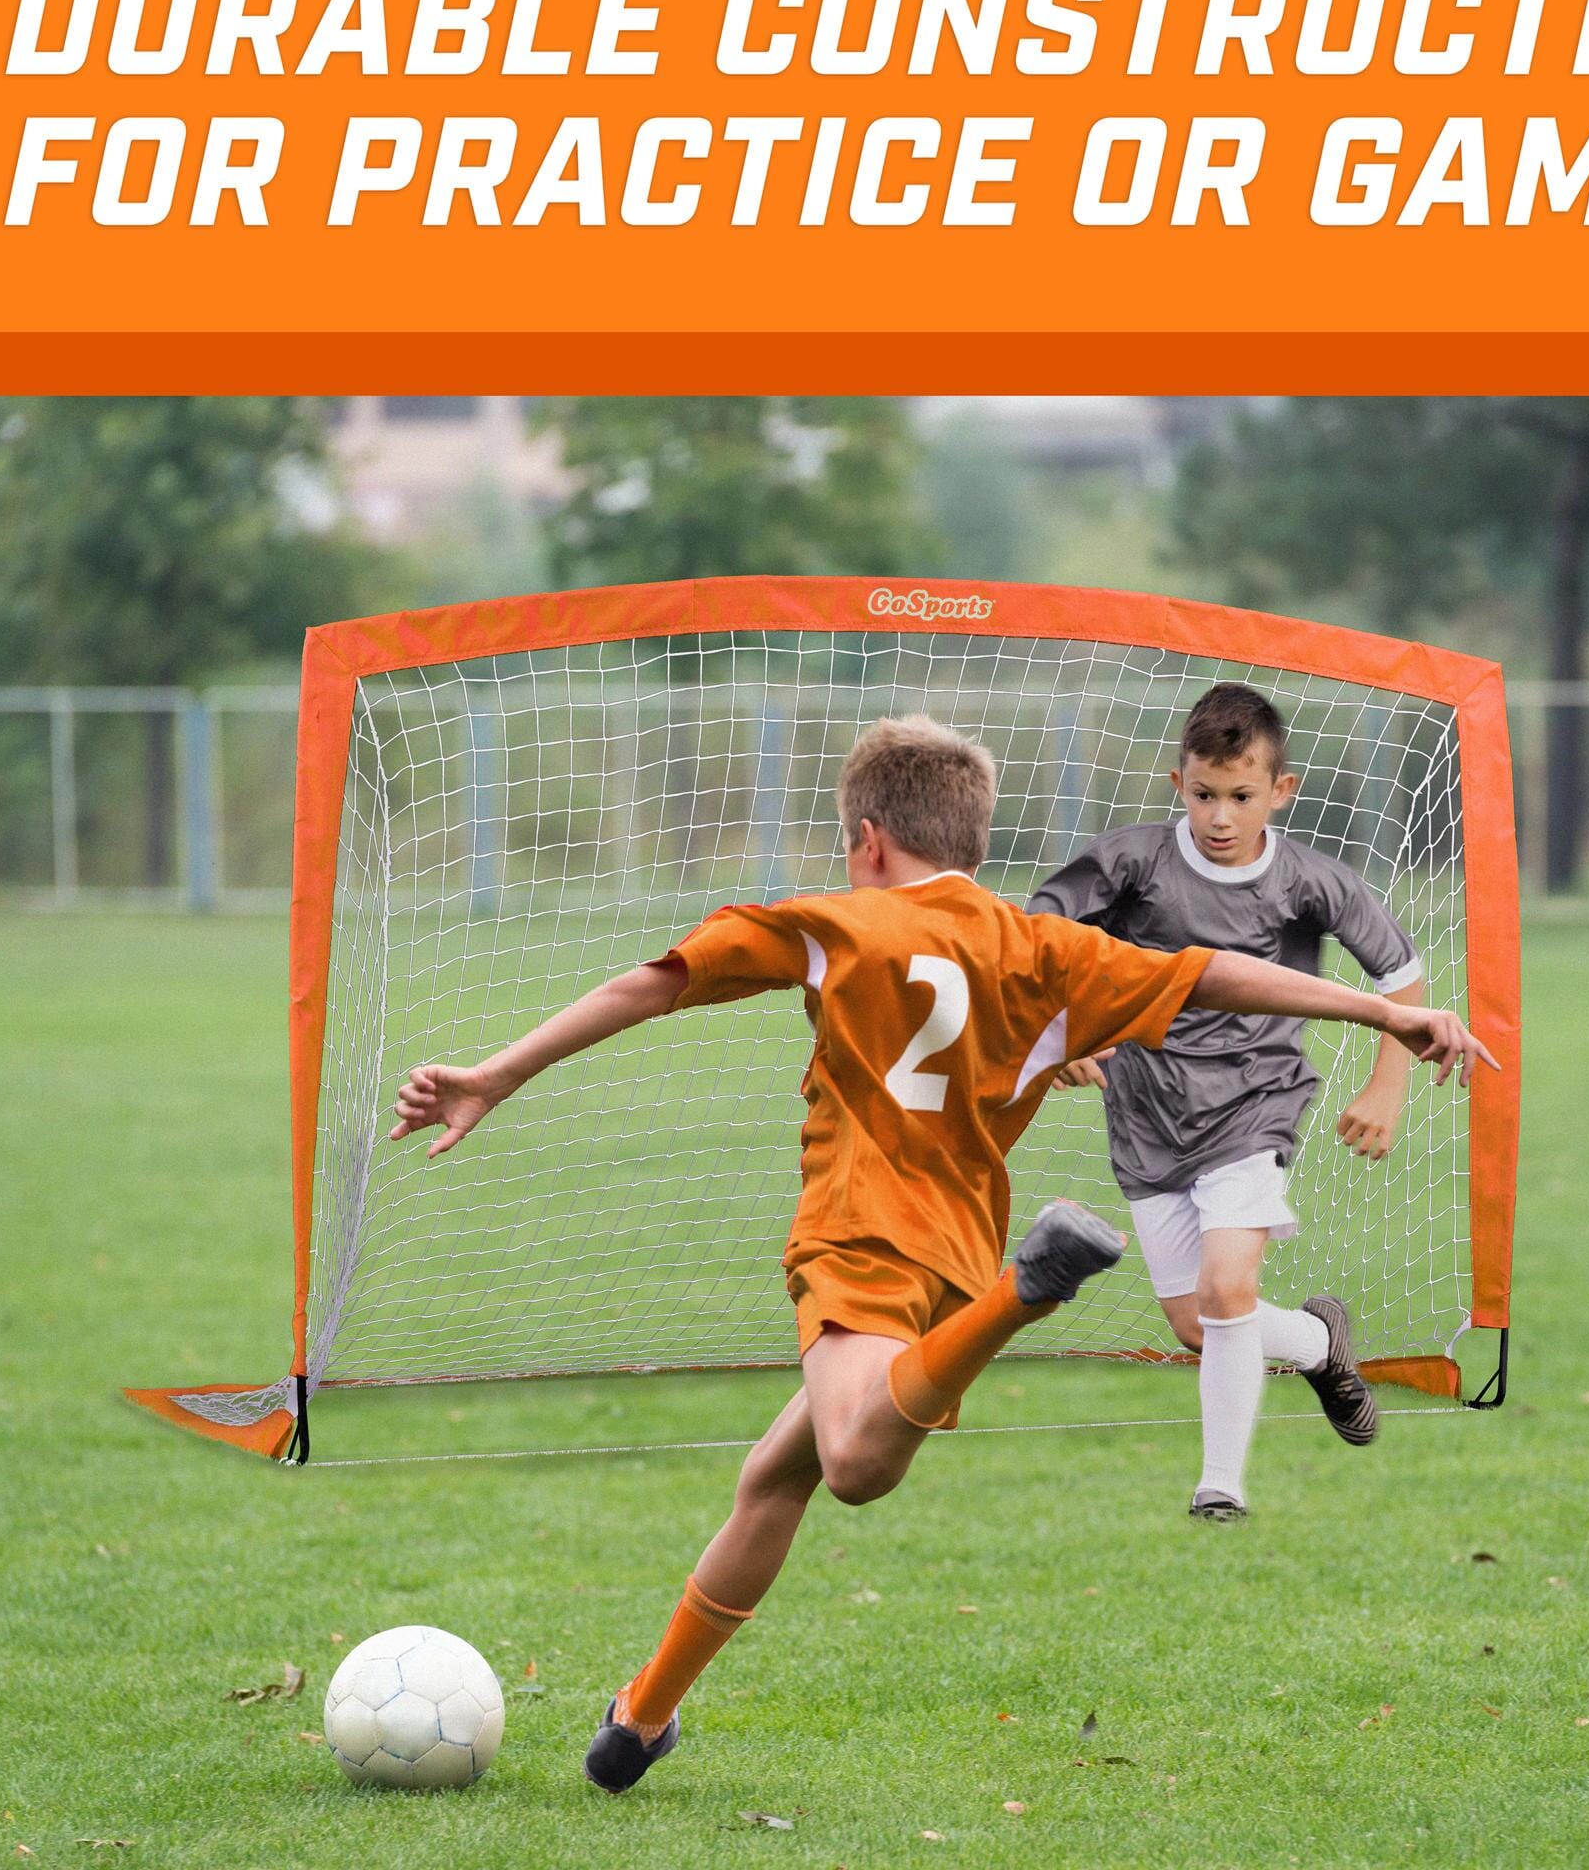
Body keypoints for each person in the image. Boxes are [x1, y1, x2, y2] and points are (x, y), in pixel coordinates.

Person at [389, 714, 1492, 1792]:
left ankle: (1031, 1289)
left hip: (861, 1233)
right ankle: (642, 1714)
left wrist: (500, 1071)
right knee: (773, 1477)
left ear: (868, 837)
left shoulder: (831, 920)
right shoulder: (1037, 944)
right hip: (948, 1254)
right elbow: (1210, 971)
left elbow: (654, 980)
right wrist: (1375, 1012)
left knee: (857, 1463)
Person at [1031, 681, 1434, 1521]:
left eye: (1241, 797)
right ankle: (1323, 1345)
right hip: (1145, 1116)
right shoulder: (1131, 862)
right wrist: (1063, 1029)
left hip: (1256, 1106)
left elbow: (1401, 980)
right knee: (1200, 1322)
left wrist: (1387, 1084)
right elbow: (1035, 937)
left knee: (1225, 1291)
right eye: (1205, 795)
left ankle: (1220, 1488)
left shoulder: (1311, 882)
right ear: (1178, 782)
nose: (1220, 816)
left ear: (1279, 792)